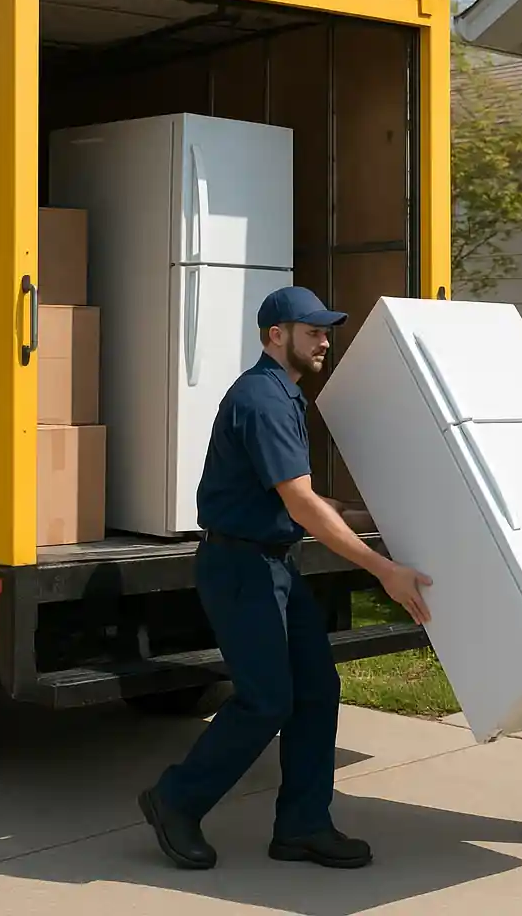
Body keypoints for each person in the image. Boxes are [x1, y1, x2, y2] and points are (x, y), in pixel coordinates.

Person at [139, 285, 432, 871]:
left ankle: (302, 825)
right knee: (267, 699)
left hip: (272, 561)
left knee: (317, 690)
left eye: (327, 331)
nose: (325, 341)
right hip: (241, 566)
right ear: (277, 335)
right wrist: (383, 570)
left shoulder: (285, 396)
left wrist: (370, 515)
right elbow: (299, 504)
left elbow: (296, 495)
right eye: (314, 331)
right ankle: (175, 799)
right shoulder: (264, 400)